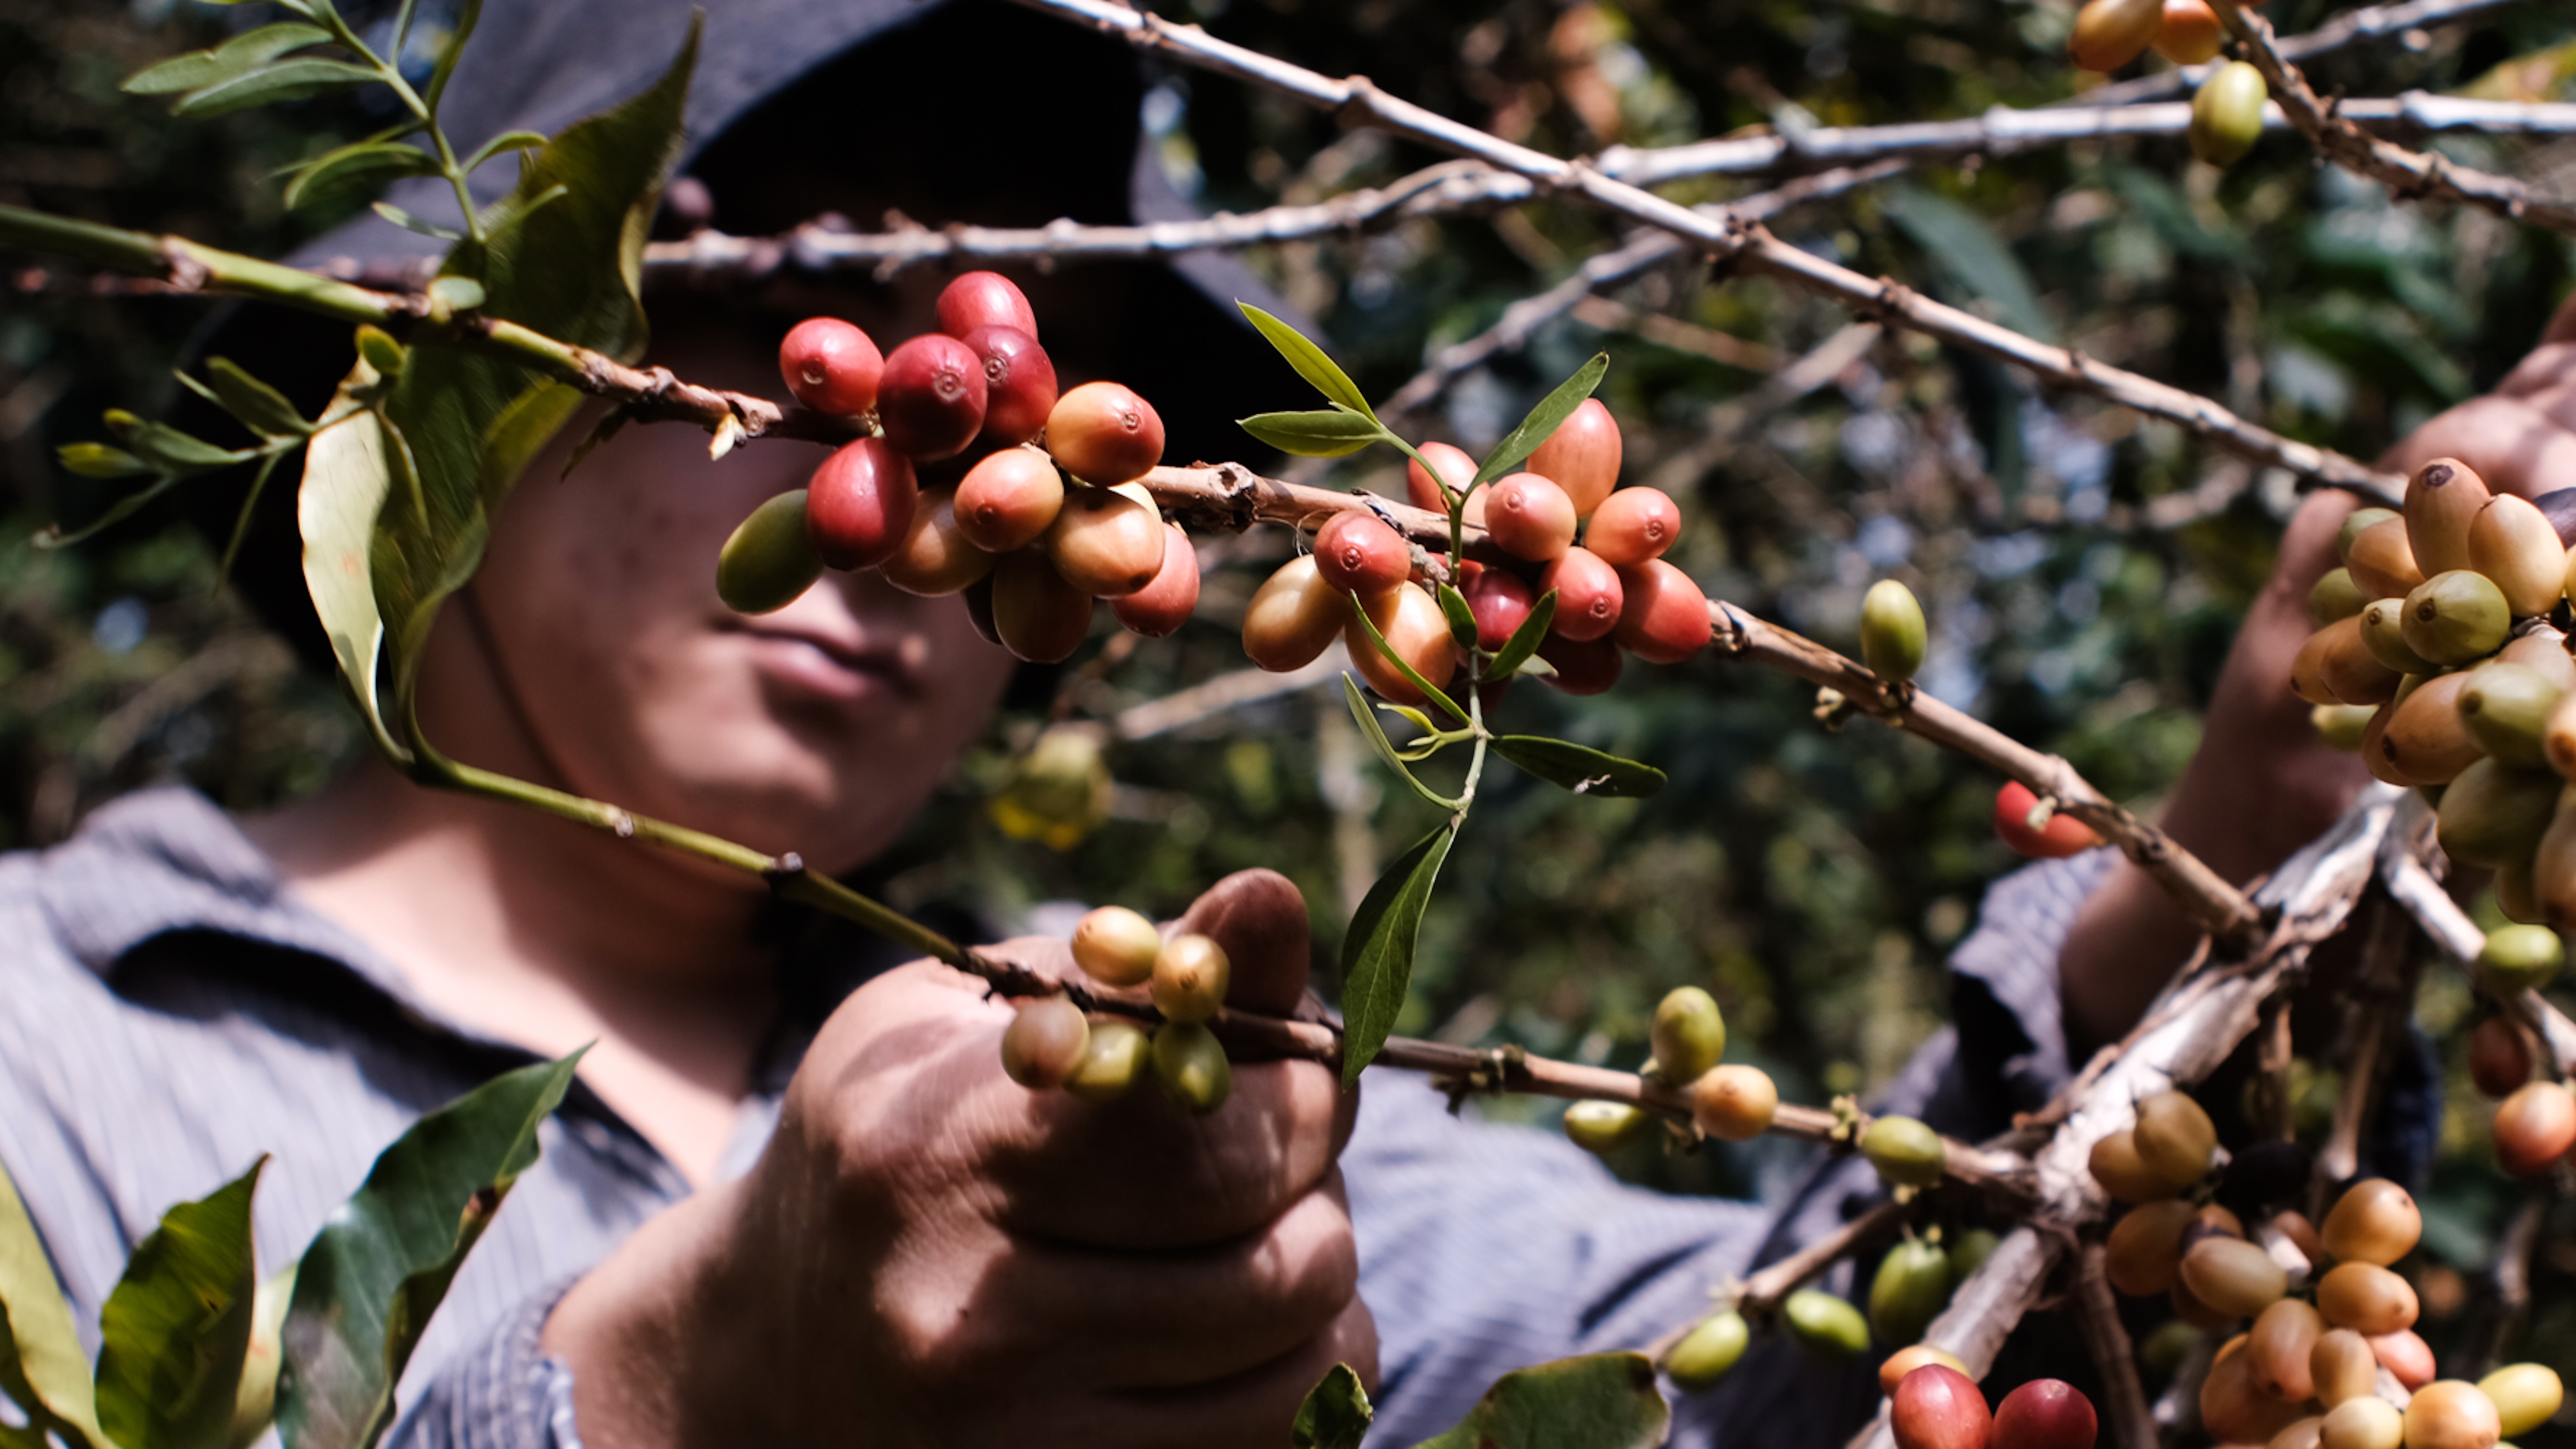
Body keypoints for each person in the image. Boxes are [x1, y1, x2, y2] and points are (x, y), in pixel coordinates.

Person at [5, 3, 2572, 1447]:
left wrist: (2242, 810)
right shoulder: (55, 1060)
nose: (912, 507)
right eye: (772, 318)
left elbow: (1812, 1370)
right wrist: (673, 1392)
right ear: (453, 382)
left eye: (1012, 402)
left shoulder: (1136, 1107)